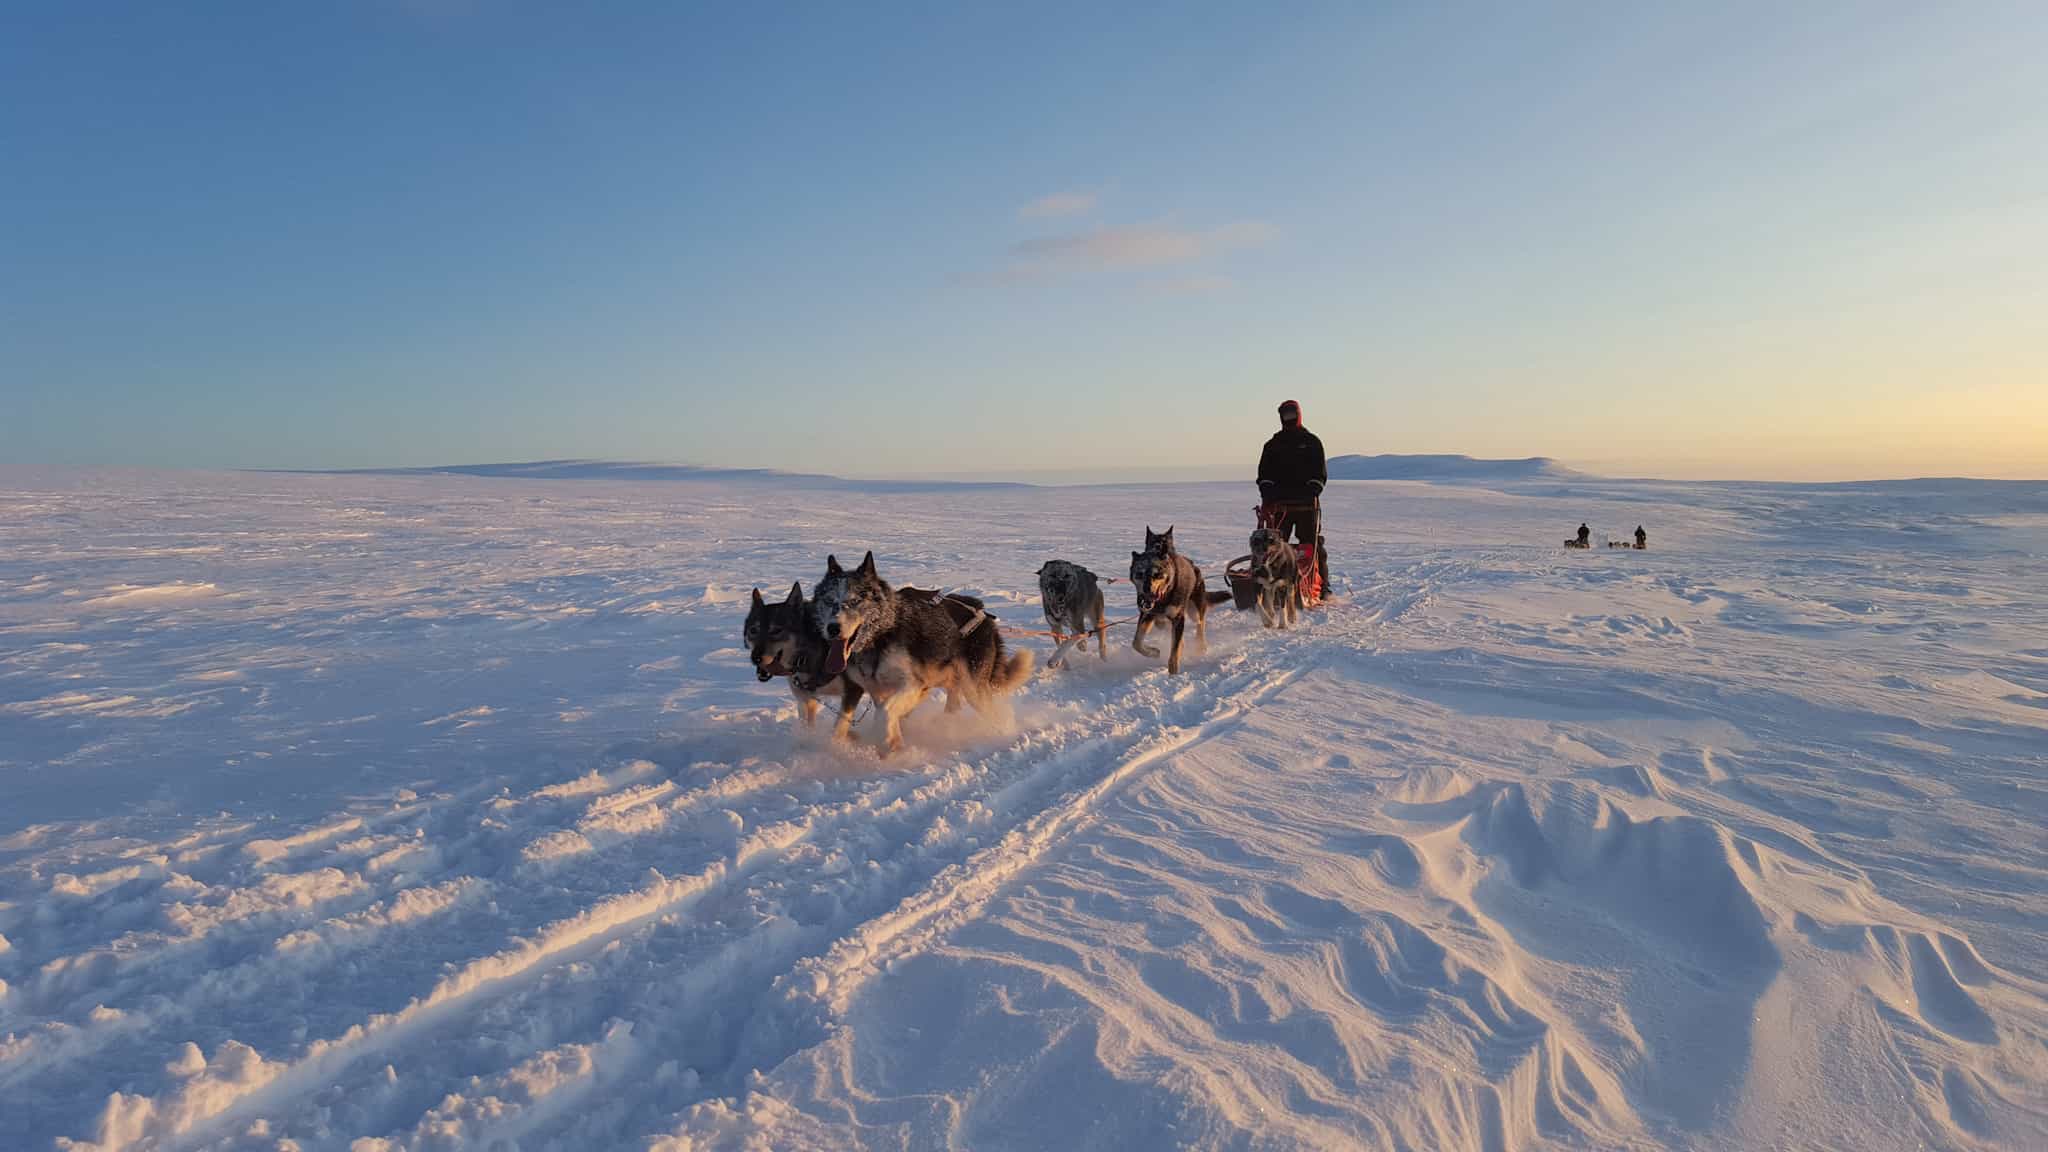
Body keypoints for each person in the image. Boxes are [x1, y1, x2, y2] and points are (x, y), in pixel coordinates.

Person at [1257, 399, 1328, 594]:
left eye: (1292, 415)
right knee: (1274, 547)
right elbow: (1264, 475)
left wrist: (1312, 490)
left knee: (1312, 546)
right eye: (1285, 415)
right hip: (1279, 506)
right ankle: (1272, 587)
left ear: (1298, 415)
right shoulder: (1272, 445)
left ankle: (1322, 587)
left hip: (1306, 505)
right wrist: (1268, 492)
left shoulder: (1312, 443)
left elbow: (1319, 474)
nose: (1289, 418)